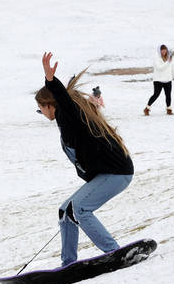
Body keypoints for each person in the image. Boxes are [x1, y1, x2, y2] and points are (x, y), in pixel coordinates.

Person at [36, 51, 134, 267]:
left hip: (117, 172)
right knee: (65, 211)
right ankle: (68, 263)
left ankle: (114, 252)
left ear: (48, 105)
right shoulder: (71, 120)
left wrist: (51, 81)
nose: (41, 113)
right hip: (107, 173)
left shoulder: (66, 115)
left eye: (40, 109)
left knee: (79, 208)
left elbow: (64, 101)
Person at [144, 44, 174, 116]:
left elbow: (172, 67)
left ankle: (169, 109)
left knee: (168, 95)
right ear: (160, 50)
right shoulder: (156, 58)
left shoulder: (169, 57)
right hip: (158, 79)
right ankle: (147, 108)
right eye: (162, 50)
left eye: (165, 50)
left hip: (167, 79)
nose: (164, 51)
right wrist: (168, 62)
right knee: (156, 94)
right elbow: (159, 68)